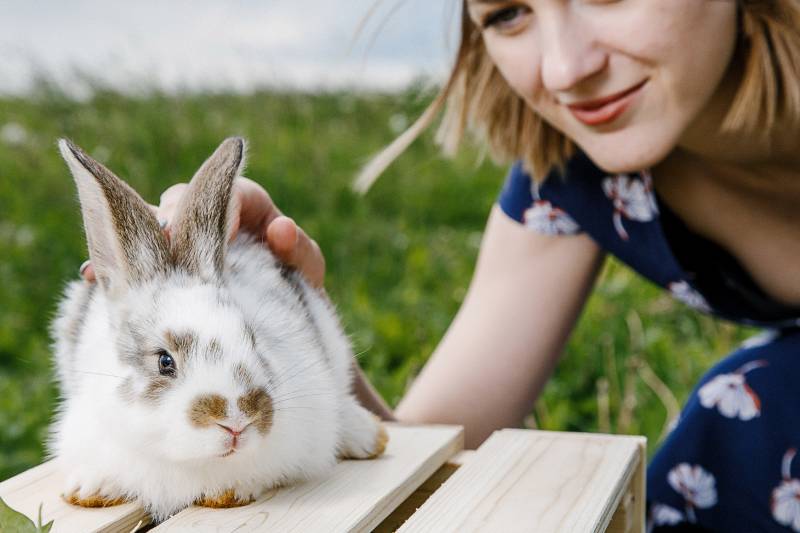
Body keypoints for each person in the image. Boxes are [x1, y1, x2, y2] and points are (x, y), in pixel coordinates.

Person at [81, 1, 800, 530]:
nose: (565, 68)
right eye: (510, 14)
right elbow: (419, 457)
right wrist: (287, 312)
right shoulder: (572, 180)